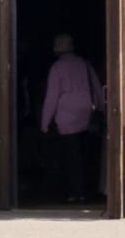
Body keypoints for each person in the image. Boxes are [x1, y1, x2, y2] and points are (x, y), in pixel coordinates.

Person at [35, 30, 104, 203]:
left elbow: (52, 96)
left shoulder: (57, 68)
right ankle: (91, 189)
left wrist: (45, 122)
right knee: (89, 153)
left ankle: (77, 192)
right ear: (72, 47)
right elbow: (97, 86)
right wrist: (103, 110)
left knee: (72, 155)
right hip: (89, 113)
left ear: (55, 50)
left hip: (67, 116)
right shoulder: (85, 63)